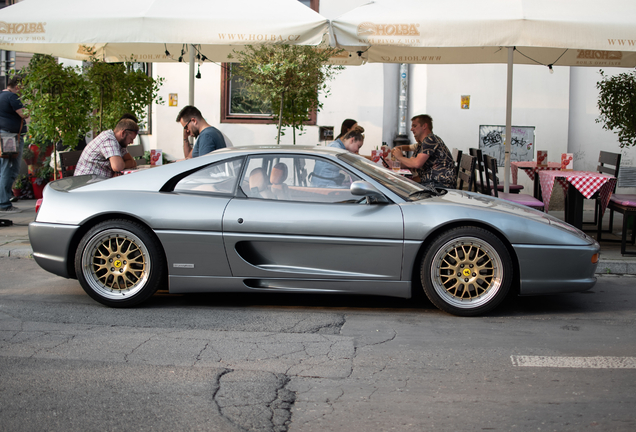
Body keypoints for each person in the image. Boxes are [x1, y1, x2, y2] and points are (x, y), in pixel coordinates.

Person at [391, 114, 456, 189]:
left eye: (414, 126)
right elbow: (411, 162)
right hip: (431, 182)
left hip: (440, 185)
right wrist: (392, 164)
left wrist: (399, 157)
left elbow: (416, 164)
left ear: (424, 126)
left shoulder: (430, 140)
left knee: (399, 188)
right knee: (400, 186)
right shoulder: (422, 143)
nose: (411, 129)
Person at [0, 75, 29, 213]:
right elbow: (24, 114)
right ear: (18, 86)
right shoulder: (12, 97)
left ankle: (4, 200)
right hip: (10, 137)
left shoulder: (1, 95)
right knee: (9, 168)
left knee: (4, 168)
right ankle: (4, 204)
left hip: (4, 136)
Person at [74, 118, 139, 178]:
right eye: (131, 139)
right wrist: (118, 168)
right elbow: (118, 166)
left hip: (98, 180)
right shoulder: (109, 139)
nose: (132, 142)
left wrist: (120, 167)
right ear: (123, 133)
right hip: (87, 181)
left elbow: (132, 163)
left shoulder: (120, 143)